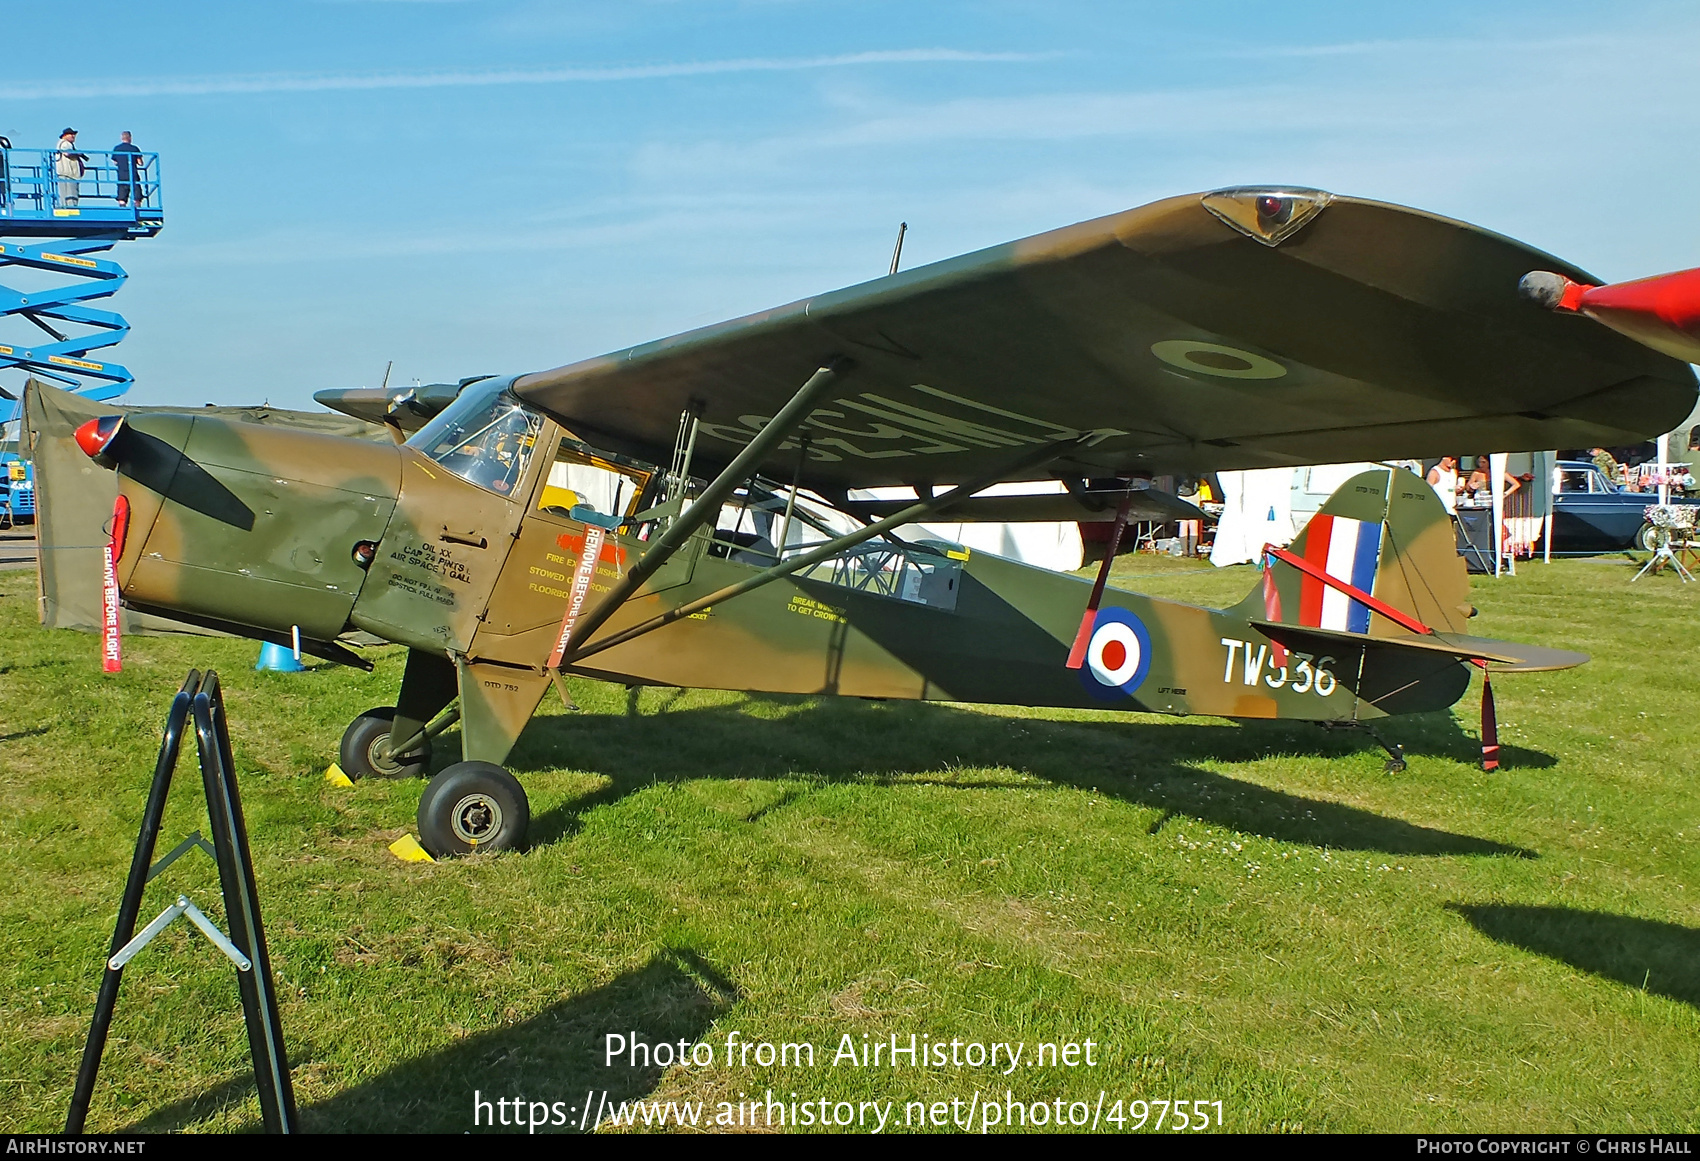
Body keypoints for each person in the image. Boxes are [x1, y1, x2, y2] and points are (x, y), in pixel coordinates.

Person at [54, 127, 86, 208]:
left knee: (67, 195)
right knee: (70, 196)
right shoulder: (65, 143)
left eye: (74, 134)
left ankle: (67, 208)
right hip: (68, 174)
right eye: (71, 134)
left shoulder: (64, 144)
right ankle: (70, 210)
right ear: (65, 135)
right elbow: (67, 152)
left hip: (66, 174)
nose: (73, 136)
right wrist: (78, 153)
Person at [112, 131, 141, 207]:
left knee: (122, 195)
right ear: (130, 138)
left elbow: (115, 162)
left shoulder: (117, 149)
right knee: (137, 194)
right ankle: (137, 207)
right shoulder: (134, 149)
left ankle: (122, 209)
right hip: (133, 174)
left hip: (121, 175)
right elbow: (140, 163)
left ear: (121, 138)